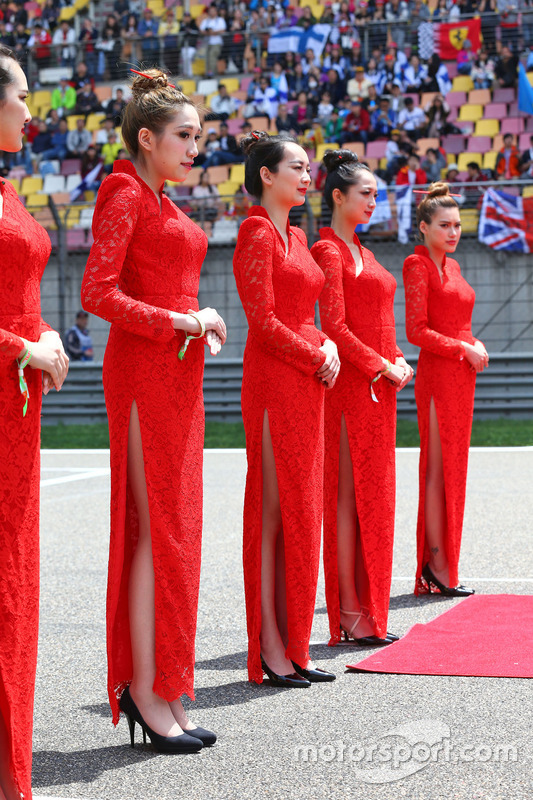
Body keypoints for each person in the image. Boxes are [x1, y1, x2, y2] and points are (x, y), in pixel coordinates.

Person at [81, 68, 226, 753]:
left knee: (175, 534)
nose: (196, 147)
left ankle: (167, 684)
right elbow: (97, 292)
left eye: (199, 136)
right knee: (152, 533)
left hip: (178, 377)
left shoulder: (162, 200)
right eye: (184, 136)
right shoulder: (123, 191)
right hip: (143, 375)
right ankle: (144, 689)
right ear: (147, 137)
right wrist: (181, 321)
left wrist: (195, 324)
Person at [233, 131, 340, 688]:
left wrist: (329, 344)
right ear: (266, 175)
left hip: (307, 378)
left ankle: (294, 644)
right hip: (276, 380)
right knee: (275, 515)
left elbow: (302, 312)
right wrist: (315, 350)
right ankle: (270, 648)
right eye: (295, 167)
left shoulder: (298, 235)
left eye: (308, 168)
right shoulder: (256, 232)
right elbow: (263, 320)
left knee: (302, 512)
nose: (306, 176)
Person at [0, 44, 69, 800]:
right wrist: (26, 343)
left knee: (15, 580)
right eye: (20, 96)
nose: (29, 110)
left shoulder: (10, 193)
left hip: (17, 406)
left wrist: (41, 336)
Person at [311, 151, 413, 648]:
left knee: (375, 500)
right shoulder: (328, 250)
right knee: (348, 501)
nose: (375, 201)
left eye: (377, 193)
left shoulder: (367, 255)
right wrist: (380, 364)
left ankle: (367, 609)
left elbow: (381, 322)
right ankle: (350, 612)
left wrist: (397, 356)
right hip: (352, 389)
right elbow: (335, 326)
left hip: (381, 390)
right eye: (365, 193)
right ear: (337, 196)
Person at [403, 183, 489, 598]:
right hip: (438, 376)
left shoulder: (453, 268)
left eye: (457, 225)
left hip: (462, 376)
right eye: (444, 225)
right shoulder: (416, 266)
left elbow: (459, 320)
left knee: (454, 470)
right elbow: (416, 331)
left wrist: (476, 343)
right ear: (423, 227)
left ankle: (446, 563)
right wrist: (463, 348)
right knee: (438, 471)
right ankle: (436, 564)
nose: (453, 232)